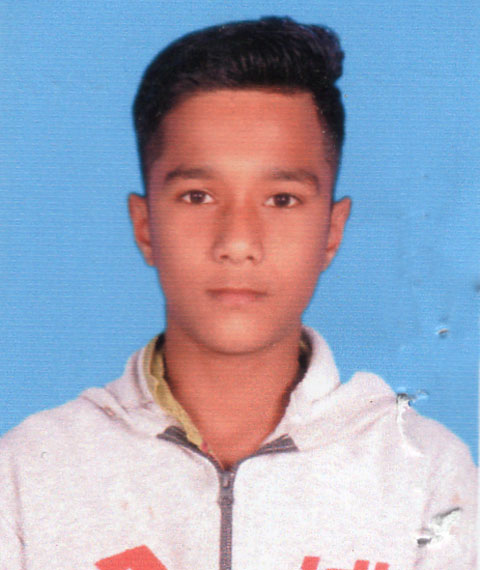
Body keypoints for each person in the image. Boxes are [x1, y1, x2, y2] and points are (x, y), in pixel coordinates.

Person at [0, 16, 476, 570]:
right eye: (198, 196)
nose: (238, 242)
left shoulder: (429, 477)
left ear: (332, 232)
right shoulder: (26, 475)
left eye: (282, 200)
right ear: (145, 226)